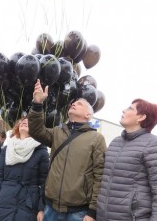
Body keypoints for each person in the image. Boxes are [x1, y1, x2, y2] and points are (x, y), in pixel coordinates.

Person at [28, 79, 107, 221]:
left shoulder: (96, 139)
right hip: (50, 208)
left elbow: (100, 176)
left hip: (78, 213)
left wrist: (92, 211)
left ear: (88, 115)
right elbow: (35, 130)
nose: (73, 103)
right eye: (73, 102)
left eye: (79, 104)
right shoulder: (57, 132)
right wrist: (37, 104)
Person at [96, 98, 157, 220]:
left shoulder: (155, 144)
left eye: (130, 108)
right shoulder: (115, 143)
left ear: (141, 117)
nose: (124, 110)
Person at [0, 117, 49, 221]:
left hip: (28, 206)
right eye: (22, 120)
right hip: (3, 203)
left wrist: (41, 209)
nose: (24, 121)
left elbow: (44, 183)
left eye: (30, 120)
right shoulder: (7, 149)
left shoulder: (41, 151)